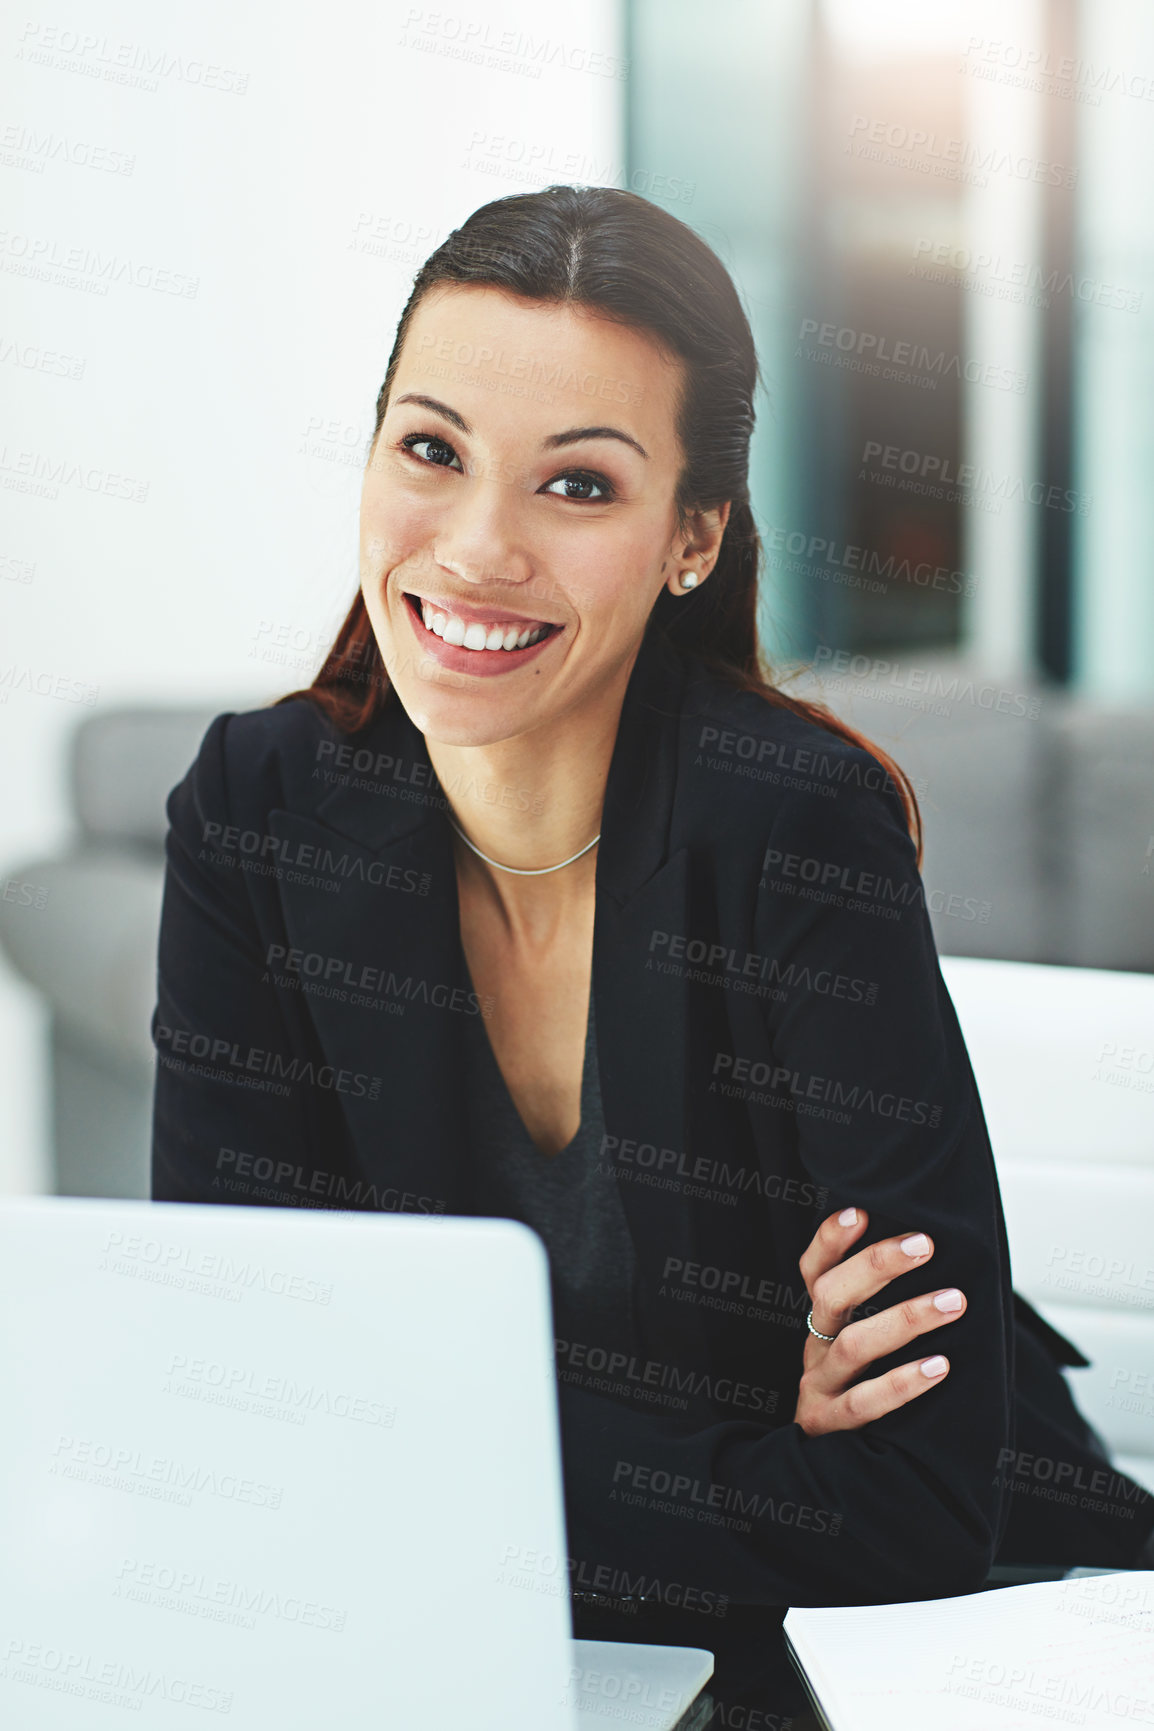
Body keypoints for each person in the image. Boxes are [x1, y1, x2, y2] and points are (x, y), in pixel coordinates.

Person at [151, 185, 1153, 1711]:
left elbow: (913, 1507)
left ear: (691, 538)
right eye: (432, 450)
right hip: (526, 1645)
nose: (477, 548)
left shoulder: (796, 829)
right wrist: (751, 1459)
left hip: (936, 1642)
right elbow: (244, 1420)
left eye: (577, 487)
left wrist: (428, 1454)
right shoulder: (259, 809)